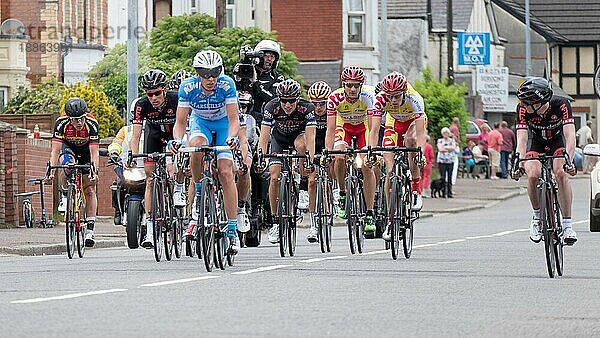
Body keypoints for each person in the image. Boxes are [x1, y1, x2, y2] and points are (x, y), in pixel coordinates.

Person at [170, 50, 242, 253]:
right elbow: (181, 122)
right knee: (196, 148)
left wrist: (232, 137)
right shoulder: (188, 87)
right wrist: (177, 140)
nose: (210, 79)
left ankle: (232, 229)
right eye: (205, 73)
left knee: (226, 172)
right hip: (200, 123)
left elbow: (234, 119)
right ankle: (199, 191)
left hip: (222, 125)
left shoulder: (227, 84)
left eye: (214, 73)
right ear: (197, 73)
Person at [512, 77, 577, 245]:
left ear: (540, 101)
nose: (525, 106)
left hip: (557, 141)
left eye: (528, 103)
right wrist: (518, 163)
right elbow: (522, 139)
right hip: (536, 142)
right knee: (533, 174)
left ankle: (567, 225)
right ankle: (537, 218)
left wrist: (569, 160)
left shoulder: (561, 104)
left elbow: (570, 135)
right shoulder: (522, 110)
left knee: (561, 173)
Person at [257, 79, 316, 244]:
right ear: (279, 99)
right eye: (284, 101)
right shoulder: (271, 107)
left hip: (299, 137)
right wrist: (261, 156)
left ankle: (303, 186)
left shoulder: (307, 108)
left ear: (298, 99)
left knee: (301, 145)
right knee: (274, 177)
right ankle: (275, 221)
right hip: (279, 139)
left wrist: (310, 158)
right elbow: (264, 137)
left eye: (291, 101)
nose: (287, 105)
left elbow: (311, 137)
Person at [129, 69, 178, 249]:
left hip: (174, 136)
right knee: (150, 179)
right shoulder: (141, 105)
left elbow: (185, 126)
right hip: (154, 137)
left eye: (157, 93)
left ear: (164, 90)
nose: (154, 98)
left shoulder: (176, 99)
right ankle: (150, 227)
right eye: (150, 94)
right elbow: (136, 135)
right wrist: (132, 155)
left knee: (172, 172)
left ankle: (175, 199)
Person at [325, 66, 377, 234]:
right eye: (349, 85)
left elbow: (372, 126)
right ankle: (341, 193)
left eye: (356, 85)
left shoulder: (369, 97)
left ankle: (370, 212)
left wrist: (371, 150)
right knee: (339, 156)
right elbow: (331, 129)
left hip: (363, 129)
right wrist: (328, 151)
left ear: (361, 85)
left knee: (366, 165)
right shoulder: (334, 98)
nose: (352, 89)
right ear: (343, 84)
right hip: (344, 128)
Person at [371, 71, 427, 215]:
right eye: (390, 96)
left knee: (411, 140)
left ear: (404, 91)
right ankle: (390, 217)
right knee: (389, 171)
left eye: (397, 96)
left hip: (412, 122)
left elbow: (421, 133)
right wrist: (372, 152)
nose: (393, 100)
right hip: (394, 122)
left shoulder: (414, 98)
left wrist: (421, 154)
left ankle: (415, 189)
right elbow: (375, 130)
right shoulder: (379, 99)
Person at [47, 98, 100, 247]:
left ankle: (90, 230)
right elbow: (55, 150)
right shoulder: (61, 123)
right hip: (68, 147)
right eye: (75, 120)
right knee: (67, 164)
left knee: (89, 189)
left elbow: (94, 153)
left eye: (81, 119)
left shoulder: (91, 123)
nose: (79, 122)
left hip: (86, 150)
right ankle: (66, 194)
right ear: (69, 118)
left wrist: (94, 171)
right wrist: (51, 170)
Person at [233, 39, 284, 126]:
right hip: (241, 117)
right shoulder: (246, 71)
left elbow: (273, 99)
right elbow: (233, 94)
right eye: (266, 56)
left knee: (252, 134)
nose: (269, 59)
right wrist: (236, 78)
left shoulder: (278, 77)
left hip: (264, 121)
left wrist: (255, 83)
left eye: (272, 57)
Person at [306, 81, 332, 242]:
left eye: (322, 103)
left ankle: (334, 191)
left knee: (335, 163)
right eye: (315, 103)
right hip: (314, 146)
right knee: (312, 182)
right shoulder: (309, 113)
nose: (318, 107)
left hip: (329, 144)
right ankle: (313, 224)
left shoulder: (332, 111)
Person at [437, 127, 457, 198]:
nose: (446, 134)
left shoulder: (452, 140)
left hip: (450, 161)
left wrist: (445, 148)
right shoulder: (440, 140)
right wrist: (449, 148)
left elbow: (453, 148)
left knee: (449, 177)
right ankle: (443, 192)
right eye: (444, 133)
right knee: (443, 177)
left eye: (447, 133)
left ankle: (449, 192)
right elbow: (440, 149)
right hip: (442, 161)